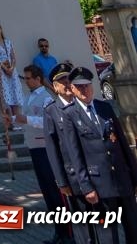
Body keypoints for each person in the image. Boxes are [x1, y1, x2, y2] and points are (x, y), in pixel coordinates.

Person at [58, 65, 137, 244]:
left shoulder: (105, 108)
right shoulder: (70, 115)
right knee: (109, 236)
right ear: (72, 89)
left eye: (87, 85)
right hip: (99, 185)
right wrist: (86, 186)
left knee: (133, 228)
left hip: (122, 180)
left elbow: (122, 143)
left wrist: (134, 175)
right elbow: (74, 154)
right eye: (79, 87)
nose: (84, 90)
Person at [42, 61, 90, 244]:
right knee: (82, 225)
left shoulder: (83, 105)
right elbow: (53, 149)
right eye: (62, 81)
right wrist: (61, 181)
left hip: (92, 172)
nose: (68, 84)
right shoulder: (51, 111)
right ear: (55, 87)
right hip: (73, 176)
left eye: (69, 80)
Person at [8, 66, 60, 227]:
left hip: (45, 147)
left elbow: (47, 122)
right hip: (33, 146)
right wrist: (11, 119)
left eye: (29, 78)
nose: (26, 81)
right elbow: (24, 118)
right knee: (45, 188)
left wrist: (25, 119)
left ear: (38, 79)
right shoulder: (27, 97)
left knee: (53, 188)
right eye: (25, 78)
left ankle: (66, 230)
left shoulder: (46, 98)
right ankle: (58, 230)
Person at [0, 22, 23, 118]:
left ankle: (18, 118)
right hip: (1, 70)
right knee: (5, 92)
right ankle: (11, 119)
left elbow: (13, 57)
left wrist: (11, 68)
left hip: (11, 69)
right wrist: (4, 68)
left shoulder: (8, 41)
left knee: (15, 91)